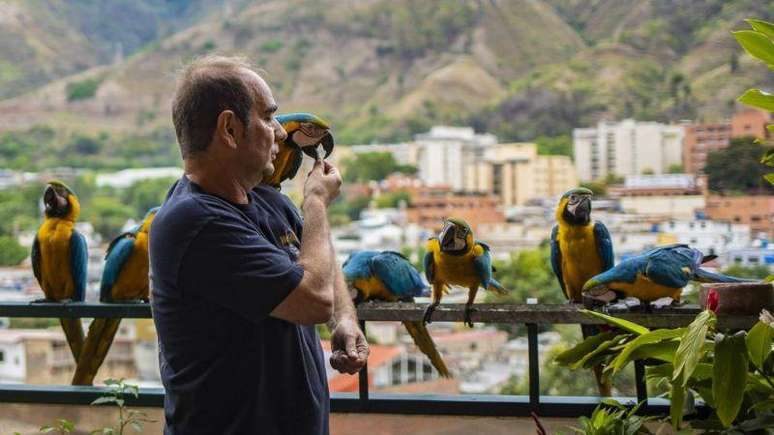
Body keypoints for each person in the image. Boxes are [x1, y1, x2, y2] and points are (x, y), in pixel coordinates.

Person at [149, 55, 368, 435]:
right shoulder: (195, 223)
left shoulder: (271, 202)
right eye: (268, 118)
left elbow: (321, 263)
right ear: (230, 129)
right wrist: (315, 202)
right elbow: (313, 299)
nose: (280, 134)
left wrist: (345, 319)